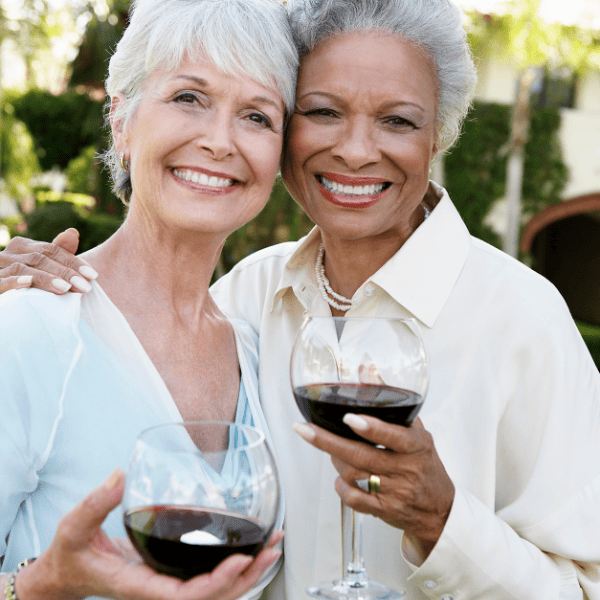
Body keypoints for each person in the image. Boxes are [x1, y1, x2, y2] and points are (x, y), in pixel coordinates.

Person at [3, 0, 600, 599]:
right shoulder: (254, 297)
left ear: (439, 133)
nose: (357, 151)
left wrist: (443, 522)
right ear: (121, 121)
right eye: (322, 111)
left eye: (398, 120)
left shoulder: (524, 321)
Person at [0, 0, 298, 599]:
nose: (220, 140)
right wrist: (45, 584)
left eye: (257, 117)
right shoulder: (31, 327)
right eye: (189, 98)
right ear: (122, 122)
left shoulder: (260, 350)